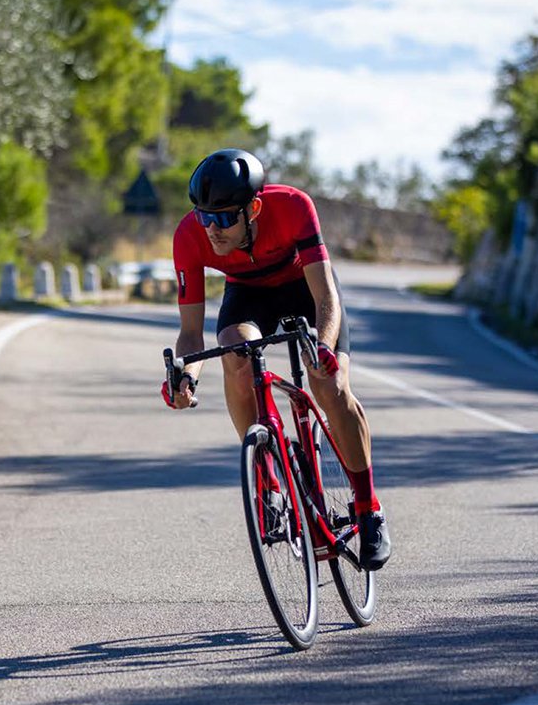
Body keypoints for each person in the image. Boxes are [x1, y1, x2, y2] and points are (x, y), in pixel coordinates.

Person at [160, 148, 390, 569]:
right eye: (204, 216)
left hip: (305, 287)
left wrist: (323, 348)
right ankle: (267, 480)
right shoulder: (189, 235)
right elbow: (191, 333)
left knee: (330, 385)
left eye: (224, 218)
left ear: (254, 209)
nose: (212, 229)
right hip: (248, 294)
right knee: (235, 354)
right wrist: (186, 376)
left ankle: (368, 508)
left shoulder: (293, 206)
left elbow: (326, 297)